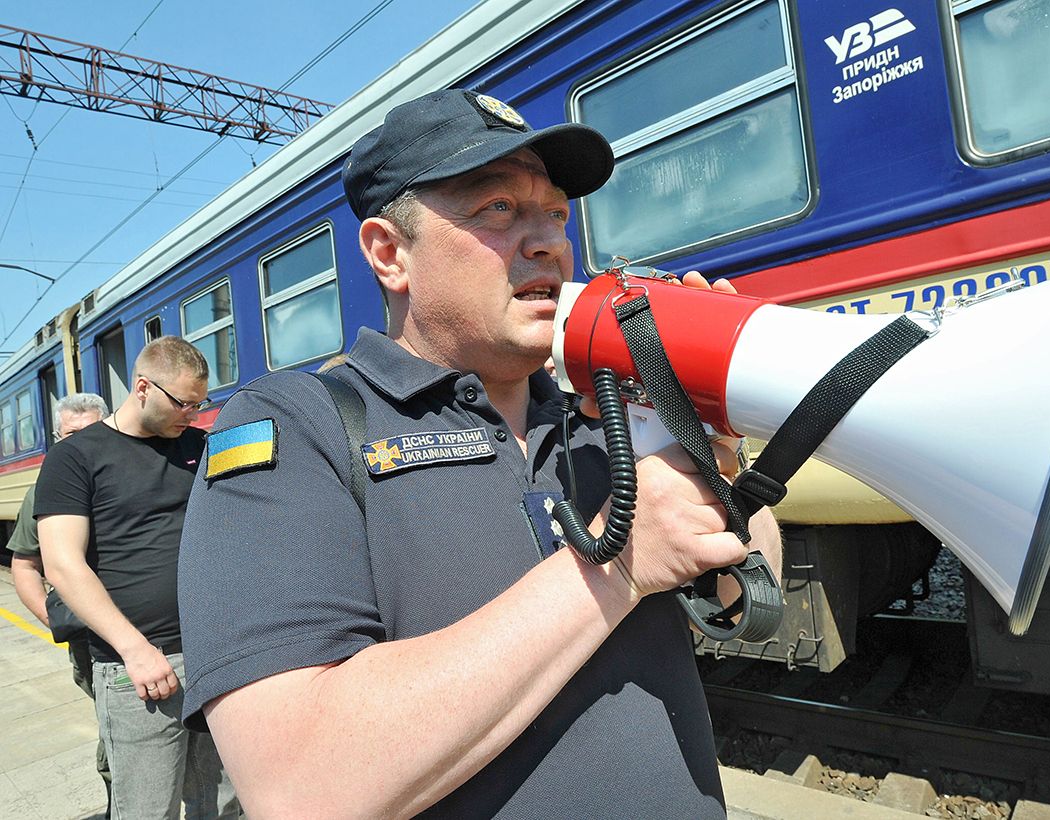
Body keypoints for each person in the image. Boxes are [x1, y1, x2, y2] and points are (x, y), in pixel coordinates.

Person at [176, 88, 783, 818]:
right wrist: (620, 561)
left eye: (555, 214)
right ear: (389, 253)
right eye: (498, 209)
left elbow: (744, 594)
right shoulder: (297, 427)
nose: (548, 242)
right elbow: (301, 784)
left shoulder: (609, 420)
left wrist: (706, 440)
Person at [36, 337, 239, 819]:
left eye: (200, 403)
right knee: (149, 809)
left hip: (215, 657)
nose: (193, 414)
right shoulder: (75, 457)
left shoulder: (198, 445)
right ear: (143, 387)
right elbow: (63, 564)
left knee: (225, 805)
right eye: (184, 403)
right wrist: (135, 650)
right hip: (140, 671)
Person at [8, 391, 112, 808]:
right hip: (93, 642)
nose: (80, 443)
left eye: (90, 432)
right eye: (70, 435)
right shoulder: (44, 490)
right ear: (57, 437)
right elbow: (25, 565)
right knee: (115, 730)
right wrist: (53, 620)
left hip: (159, 627)